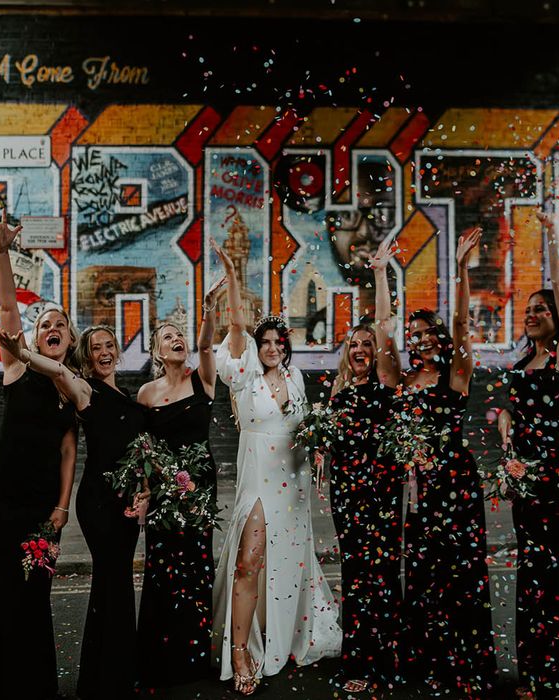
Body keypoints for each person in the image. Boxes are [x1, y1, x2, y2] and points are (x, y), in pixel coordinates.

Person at [0, 322, 147, 700]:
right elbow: (58, 370)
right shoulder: (84, 390)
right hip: (99, 503)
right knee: (112, 583)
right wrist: (22, 352)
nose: (105, 352)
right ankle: (107, 681)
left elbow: (141, 452)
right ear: (88, 357)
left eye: (110, 345)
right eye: (97, 348)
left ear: (118, 352)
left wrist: (146, 491)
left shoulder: (128, 396)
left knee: (118, 584)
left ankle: (107, 677)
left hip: (127, 503)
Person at [211, 238, 341, 696]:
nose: (269, 347)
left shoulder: (297, 378)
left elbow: (304, 429)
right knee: (249, 563)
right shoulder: (242, 372)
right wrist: (231, 272)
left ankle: (281, 638)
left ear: (285, 346)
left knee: (286, 563)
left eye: (276, 341)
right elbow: (236, 324)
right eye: (263, 341)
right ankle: (241, 649)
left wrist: (319, 444)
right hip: (258, 482)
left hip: (294, 485)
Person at [0, 209, 77, 700]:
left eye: (61, 325)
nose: (52, 326)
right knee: (4, 583)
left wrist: (61, 507)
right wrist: (4, 251)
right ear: (35, 337)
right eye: (45, 322)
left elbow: (70, 452)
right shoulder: (18, 367)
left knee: (37, 591)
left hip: (42, 507)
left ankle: (30, 685)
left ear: (69, 341)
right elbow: (9, 307)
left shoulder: (71, 388)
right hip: (3, 498)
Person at [399, 227, 497, 696]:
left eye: (422, 333)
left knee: (460, 571)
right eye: (410, 335)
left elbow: (462, 327)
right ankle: (426, 660)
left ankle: (468, 662)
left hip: (454, 482)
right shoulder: (402, 380)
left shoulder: (455, 376)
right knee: (421, 569)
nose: (416, 340)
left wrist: (460, 270)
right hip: (417, 485)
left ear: (436, 336)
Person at [498, 211, 559, 699]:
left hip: (555, 482)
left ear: (558, 318)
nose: (531, 314)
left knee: (553, 577)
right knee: (530, 575)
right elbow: (511, 416)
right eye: (528, 309)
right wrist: (508, 451)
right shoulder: (522, 363)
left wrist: (552, 238)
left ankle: (557, 680)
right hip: (525, 482)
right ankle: (533, 673)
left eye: (542, 309)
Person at [135, 275, 225, 689]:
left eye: (180, 336)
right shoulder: (146, 394)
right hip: (163, 493)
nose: (177, 340)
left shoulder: (201, 379)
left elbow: (207, 346)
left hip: (199, 487)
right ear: (156, 351)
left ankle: (191, 658)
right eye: (168, 337)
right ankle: (157, 656)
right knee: (161, 569)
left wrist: (208, 311)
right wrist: (145, 493)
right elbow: (144, 451)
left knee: (195, 567)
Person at [325, 238, 404, 692]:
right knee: (355, 572)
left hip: (382, 490)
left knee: (382, 570)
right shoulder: (338, 391)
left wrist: (379, 272)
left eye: (366, 344)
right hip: (346, 493)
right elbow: (331, 439)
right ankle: (357, 661)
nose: (360, 349)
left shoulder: (387, 381)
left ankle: (385, 661)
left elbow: (385, 326)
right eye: (353, 343)